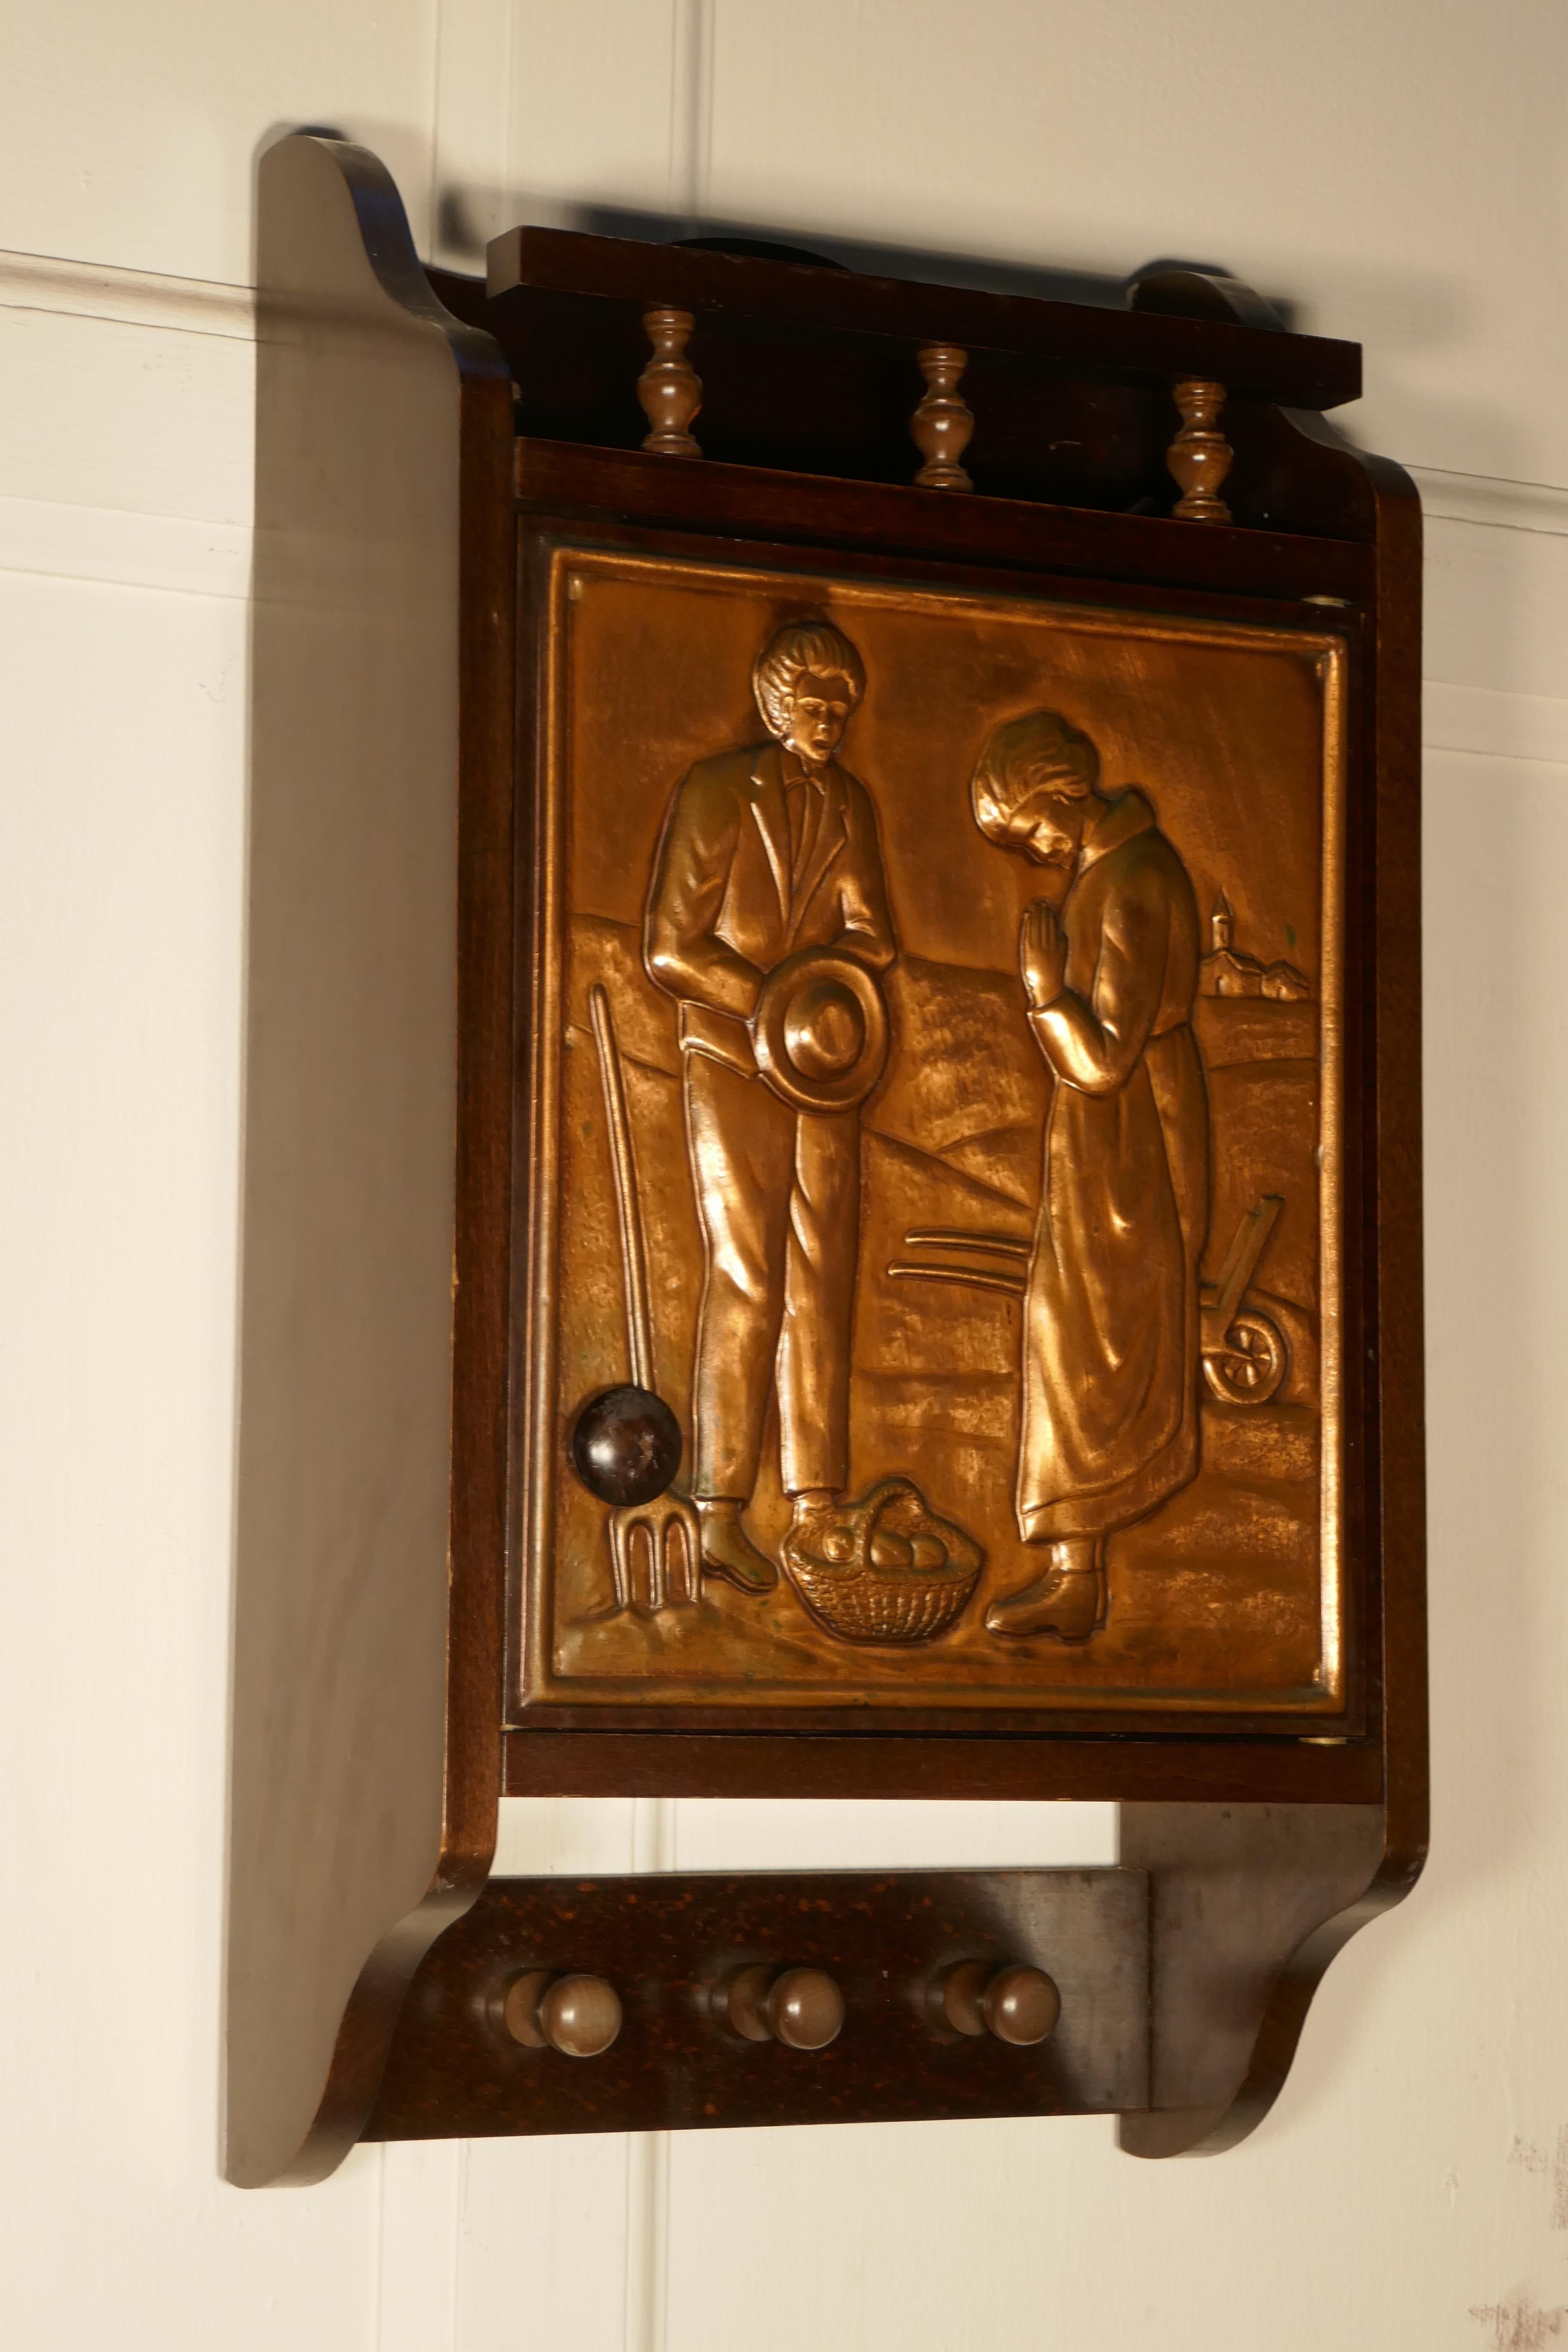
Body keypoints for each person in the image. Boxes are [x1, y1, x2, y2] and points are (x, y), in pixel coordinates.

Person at [644, 619, 896, 1592]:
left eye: (843, 708)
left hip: (830, 1060)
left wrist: (834, 995)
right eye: (812, 704)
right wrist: (773, 1004)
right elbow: (671, 945)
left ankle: (817, 1506)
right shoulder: (716, 790)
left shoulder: (852, 805)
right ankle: (717, 1512)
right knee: (747, 1270)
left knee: (823, 1277)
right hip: (734, 1055)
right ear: (770, 700)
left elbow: (875, 930)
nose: (829, 722)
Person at [970, 709, 1209, 1640]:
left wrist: (1045, 992)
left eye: (1031, 830)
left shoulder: (1133, 882)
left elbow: (1107, 1055)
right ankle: (1077, 1569)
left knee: (1088, 1339)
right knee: (1070, 1330)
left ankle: (1081, 1579)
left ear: (1063, 794)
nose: (1032, 851)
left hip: (1130, 1142)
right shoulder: (1108, 875)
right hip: (1107, 1139)